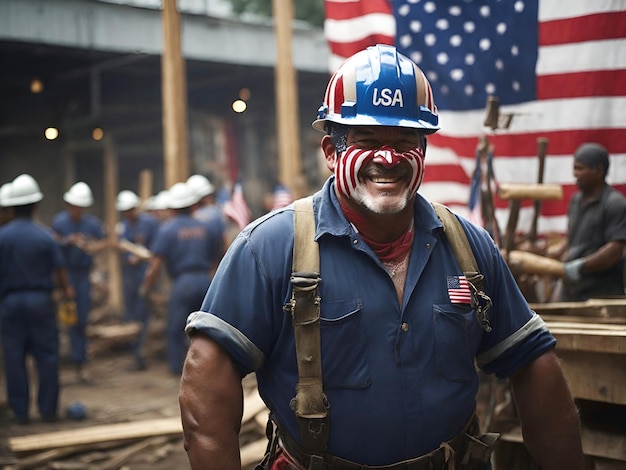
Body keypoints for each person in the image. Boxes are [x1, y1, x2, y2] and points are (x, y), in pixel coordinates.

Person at [179, 45, 584, 469]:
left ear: (423, 152)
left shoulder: (468, 247)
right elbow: (207, 381)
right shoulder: (271, 248)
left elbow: (532, 360)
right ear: (332, 152)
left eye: (404, 141)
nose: (387, 159)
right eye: (367, 140)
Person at [0, 174, 75, 424]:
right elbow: (60, 269)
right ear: (36, 205)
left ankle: (20, 412)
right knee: (47, 355)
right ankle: (48, 410)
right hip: (41, 302)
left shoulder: (3, 237)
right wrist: (66, 290)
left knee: (14, 356)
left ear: (11, 206)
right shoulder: (45, 236)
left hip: (9, 303)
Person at [140, 181, 223, 376]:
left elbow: (155, 265)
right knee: (207, 328)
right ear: (193, 205)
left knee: (176, 327)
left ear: (171, 208)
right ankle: (210, 368)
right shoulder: (206, 228)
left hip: (182, 283)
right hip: (205, 281)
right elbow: (218, 255)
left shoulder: (167, 230)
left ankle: (179, 371)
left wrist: (147, 287)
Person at [547, 143, 626, 301]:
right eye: (574, 168)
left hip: (602, 295)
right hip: (573, 293)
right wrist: (553, 254)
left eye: (580, 168)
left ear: (598, 170)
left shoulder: (614, 203)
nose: (575, 174)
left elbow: (615, 250)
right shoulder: (576, 201)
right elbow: (573, 237)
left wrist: (580, 266)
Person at [51, 181, 108, 384]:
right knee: (68, 320)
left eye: (80, 207)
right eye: (74, 206)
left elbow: (106, 242)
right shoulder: (59, 222)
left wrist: (92, 247)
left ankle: (82, 362)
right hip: (65, 275)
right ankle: (72, 360)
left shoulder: (92, 224)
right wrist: (69, 241)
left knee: (82, 320)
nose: (77, 210)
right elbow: (52, 243)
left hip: (83, 276)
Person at [115, 190, 160, 370]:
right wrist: (128, 257)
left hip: (145, 272)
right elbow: (122, 247)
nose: (128, 213)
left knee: (142, 313)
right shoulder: (124, 226)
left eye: (130, 210)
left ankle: (142, 352)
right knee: (130, 313)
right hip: (129, 276)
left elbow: (157, 249)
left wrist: (144, 258)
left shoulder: (150, 223)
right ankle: (135, 353)